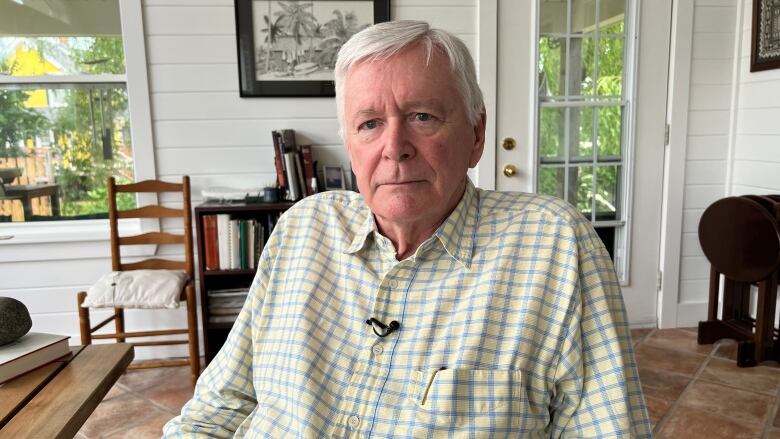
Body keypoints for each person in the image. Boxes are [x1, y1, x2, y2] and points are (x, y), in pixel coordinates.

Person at [163, 20, 651, 438]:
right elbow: (218, 407)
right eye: (370, 123)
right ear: (350, 145)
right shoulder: (301, 230)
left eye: (422, 116)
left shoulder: (553, 248)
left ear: (476, 136)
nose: (394, 147)